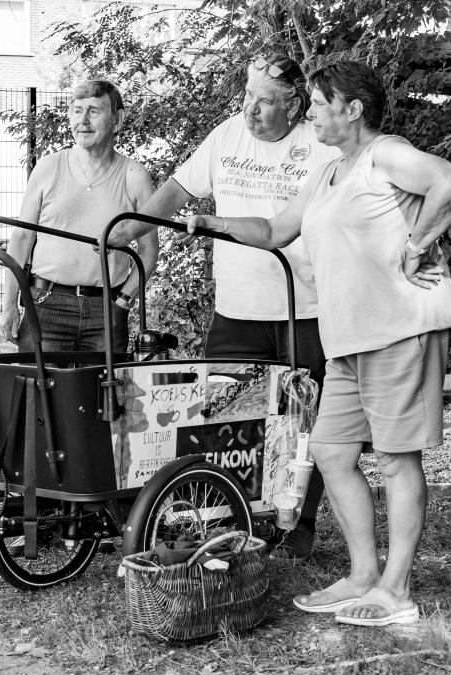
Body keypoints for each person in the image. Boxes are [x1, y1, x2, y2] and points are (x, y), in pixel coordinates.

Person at [182, 60, 451, 627]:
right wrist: (207, 223)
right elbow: (272, 231)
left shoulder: (385, 153)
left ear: (352, 109)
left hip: (398, 329)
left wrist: (417, 245)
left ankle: (396, 590)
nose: (308, 113)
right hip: (347, 339)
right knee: (332, 454)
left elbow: (450, 181)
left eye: (316, 103)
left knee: (394, 457)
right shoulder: (331, 172)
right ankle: (362, 576)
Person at [112, 54, 341, 562]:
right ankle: (235, 518)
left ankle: (299, 523)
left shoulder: (319, 146)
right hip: (236, 310)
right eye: (247, 96)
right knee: (223, 420)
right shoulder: (225, 136)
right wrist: (127, 227)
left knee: (306, 422)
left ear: (295, 105)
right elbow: (176, 191)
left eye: (263, 101)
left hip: (307, 309)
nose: (249, 110)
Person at [0, 79, 158, 354]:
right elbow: (22, 238)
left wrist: (123, 300)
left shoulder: (135, 177)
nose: (82, 121)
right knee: (39, 393)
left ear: (117, 120)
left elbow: (149, 250)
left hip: (106, 308)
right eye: (76, 110)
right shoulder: (48, 168)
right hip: (46, 302)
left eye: (94, 111)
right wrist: (10, 303)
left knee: (104, 395)